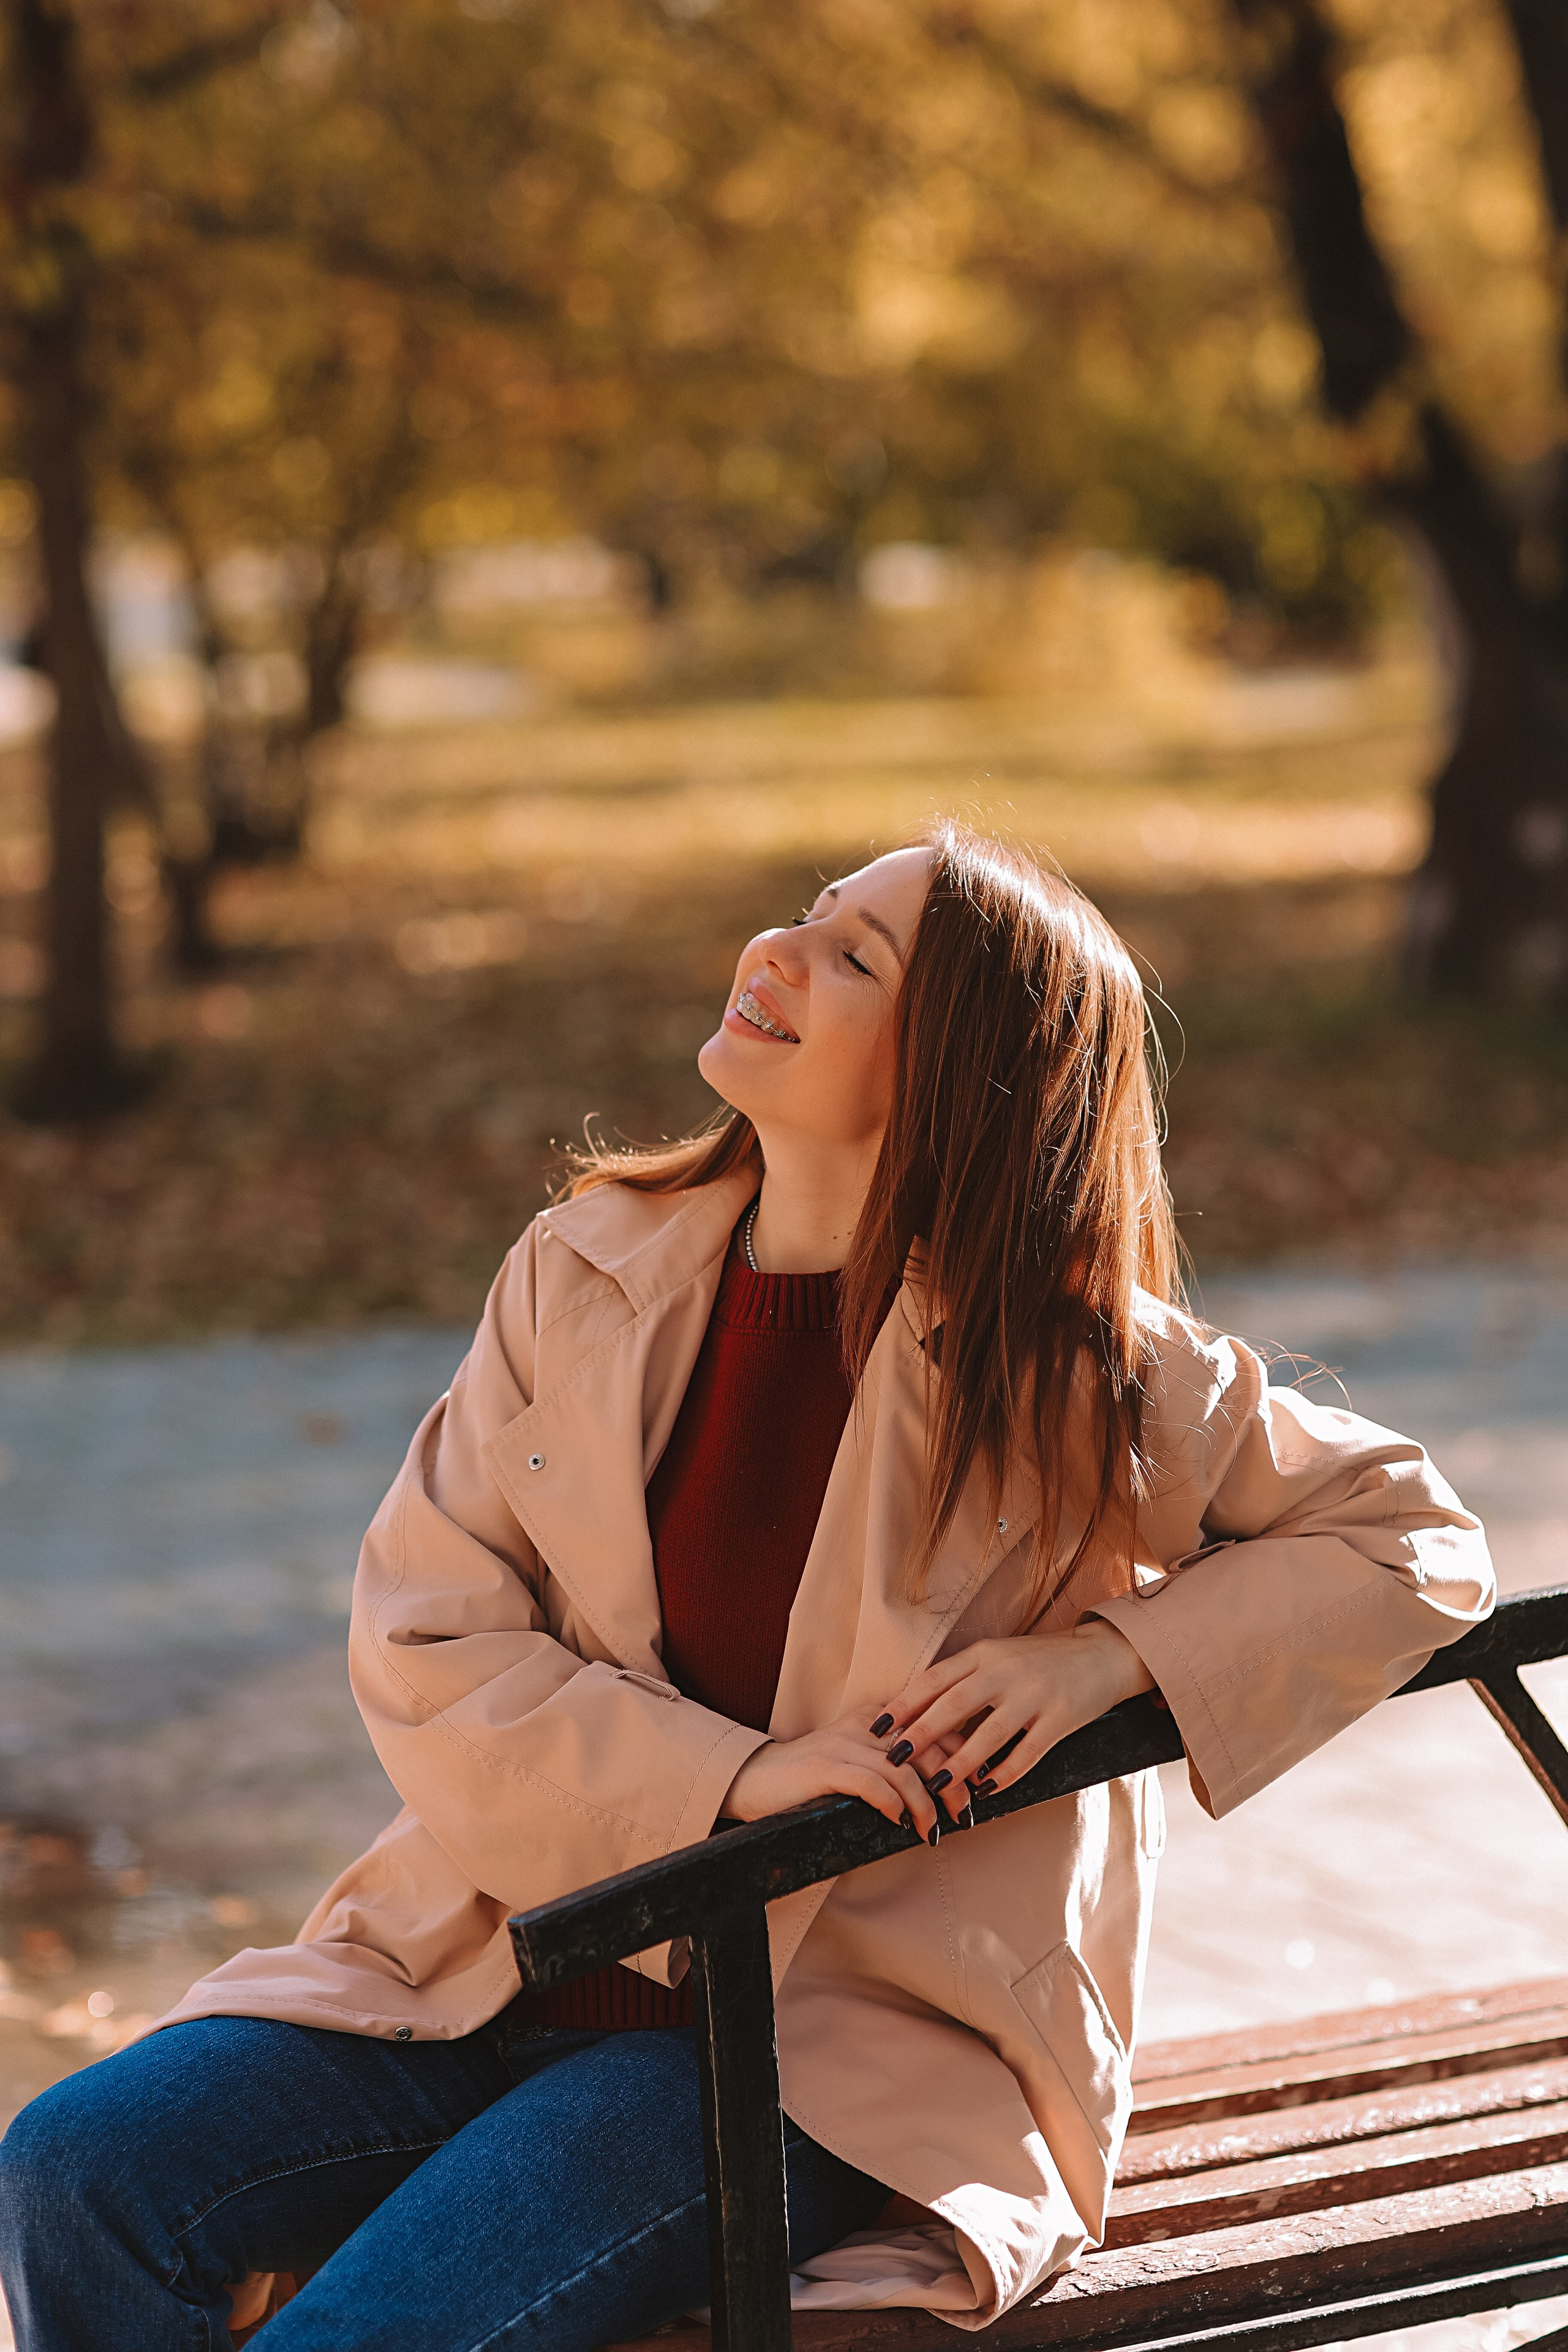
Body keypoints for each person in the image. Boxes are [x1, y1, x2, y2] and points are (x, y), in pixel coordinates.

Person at [0, 823, 1492, 2351]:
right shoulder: (580, 1271)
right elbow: (426, 1626)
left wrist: (1102, 1658)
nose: (775, 952)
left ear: (962, 1076)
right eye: (804, 914)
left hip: (810, 2048)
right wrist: (739, 1778)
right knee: (79, 2169)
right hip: (484, 1958)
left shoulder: (1078, 1372)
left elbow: (1412, 1537)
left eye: (855, 956)